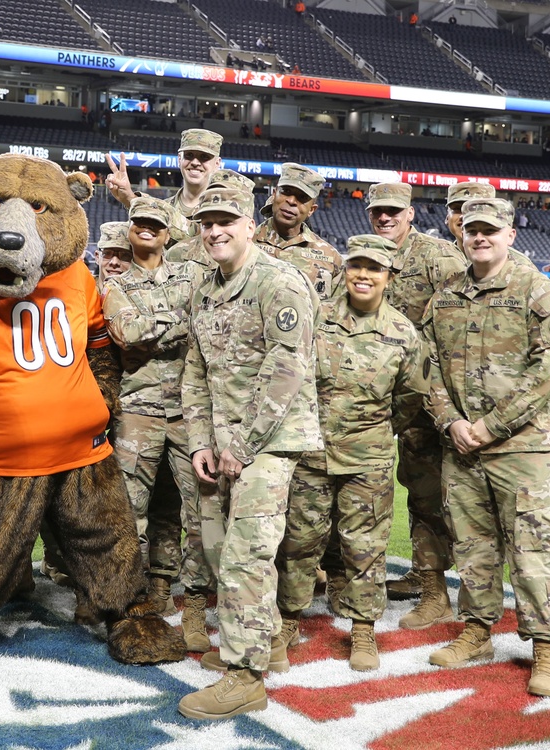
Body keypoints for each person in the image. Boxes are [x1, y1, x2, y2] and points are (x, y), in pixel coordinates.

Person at [178, 187, 320, 719]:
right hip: (219, 446)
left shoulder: (279, 282)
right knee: (217, 548)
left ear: (249, 223)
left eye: (226, 221)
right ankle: (265, 643)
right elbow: (196, 370)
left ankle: (246, 676)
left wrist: (241, 444)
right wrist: (200, 442)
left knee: (246, 555)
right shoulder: (206, 287)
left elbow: (286, 372)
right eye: (206, 222)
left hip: (267, 444)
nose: (214, 231)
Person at [424, 198, 550, 698]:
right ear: (462, 235)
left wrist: (490, 426)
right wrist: (451, 422)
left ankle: (546, 646)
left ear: (510, 235)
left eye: (490, 230)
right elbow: (428, 368)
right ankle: (478, 631)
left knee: (533, 551)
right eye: (472, 229)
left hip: (520, 449)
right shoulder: (445, 293)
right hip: (462, 448)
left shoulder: (538, 292)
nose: (480, 237)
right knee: (473, 547)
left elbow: (546, 374)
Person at [273, 235, 427, 672]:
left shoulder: (402, 332)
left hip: (369, 457)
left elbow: (410, 396)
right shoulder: (315, 318)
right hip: (312, 453)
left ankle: (362, 628)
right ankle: (288, 618)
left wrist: (376, 431)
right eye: (356, 265)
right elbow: (292, 376)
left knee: (365, 547)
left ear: (389, 276)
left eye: (374, 268)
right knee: (300, 542)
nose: (363, 274)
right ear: (345, 270)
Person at [102, 196, 210, 647]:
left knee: (203, 509)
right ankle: (133, 599)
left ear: (169, 233)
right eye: (139, 224)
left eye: (155, 225)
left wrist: (153, 325)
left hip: (191, 411)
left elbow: (209, 322)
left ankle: (198, 605)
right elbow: (126, 333)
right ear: (130, 231)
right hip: (139, 411)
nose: (146, 230)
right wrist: (177, 320)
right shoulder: (115, 285)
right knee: (129, 510)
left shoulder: (194, 273)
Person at [365, 181, 457, 628]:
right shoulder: (367, 256)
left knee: (434, 495)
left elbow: (459, 323)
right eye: (377, 211)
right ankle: (424, 576)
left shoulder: (438, 258)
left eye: (393, 211)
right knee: (410, 491)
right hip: (389, 398)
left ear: (410, 213)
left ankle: (438, 593)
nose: (384, 218)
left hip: (431, 401)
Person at [106, 128, 223, 242]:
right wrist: (129, 198)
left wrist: (132, 199)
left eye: (204, 157)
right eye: (189, 155)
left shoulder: (224, 211)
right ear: (179, 159)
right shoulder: (162, 208)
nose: (195, 163)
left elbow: (199, 238)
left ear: (217, 164)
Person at [254, 162, 344, 300]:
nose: (291, 201)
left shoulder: (332, 259)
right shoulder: (244, 244)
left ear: (311, 210)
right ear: (274, 194)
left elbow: (338, 314)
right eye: (286, 191)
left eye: (302, 197)